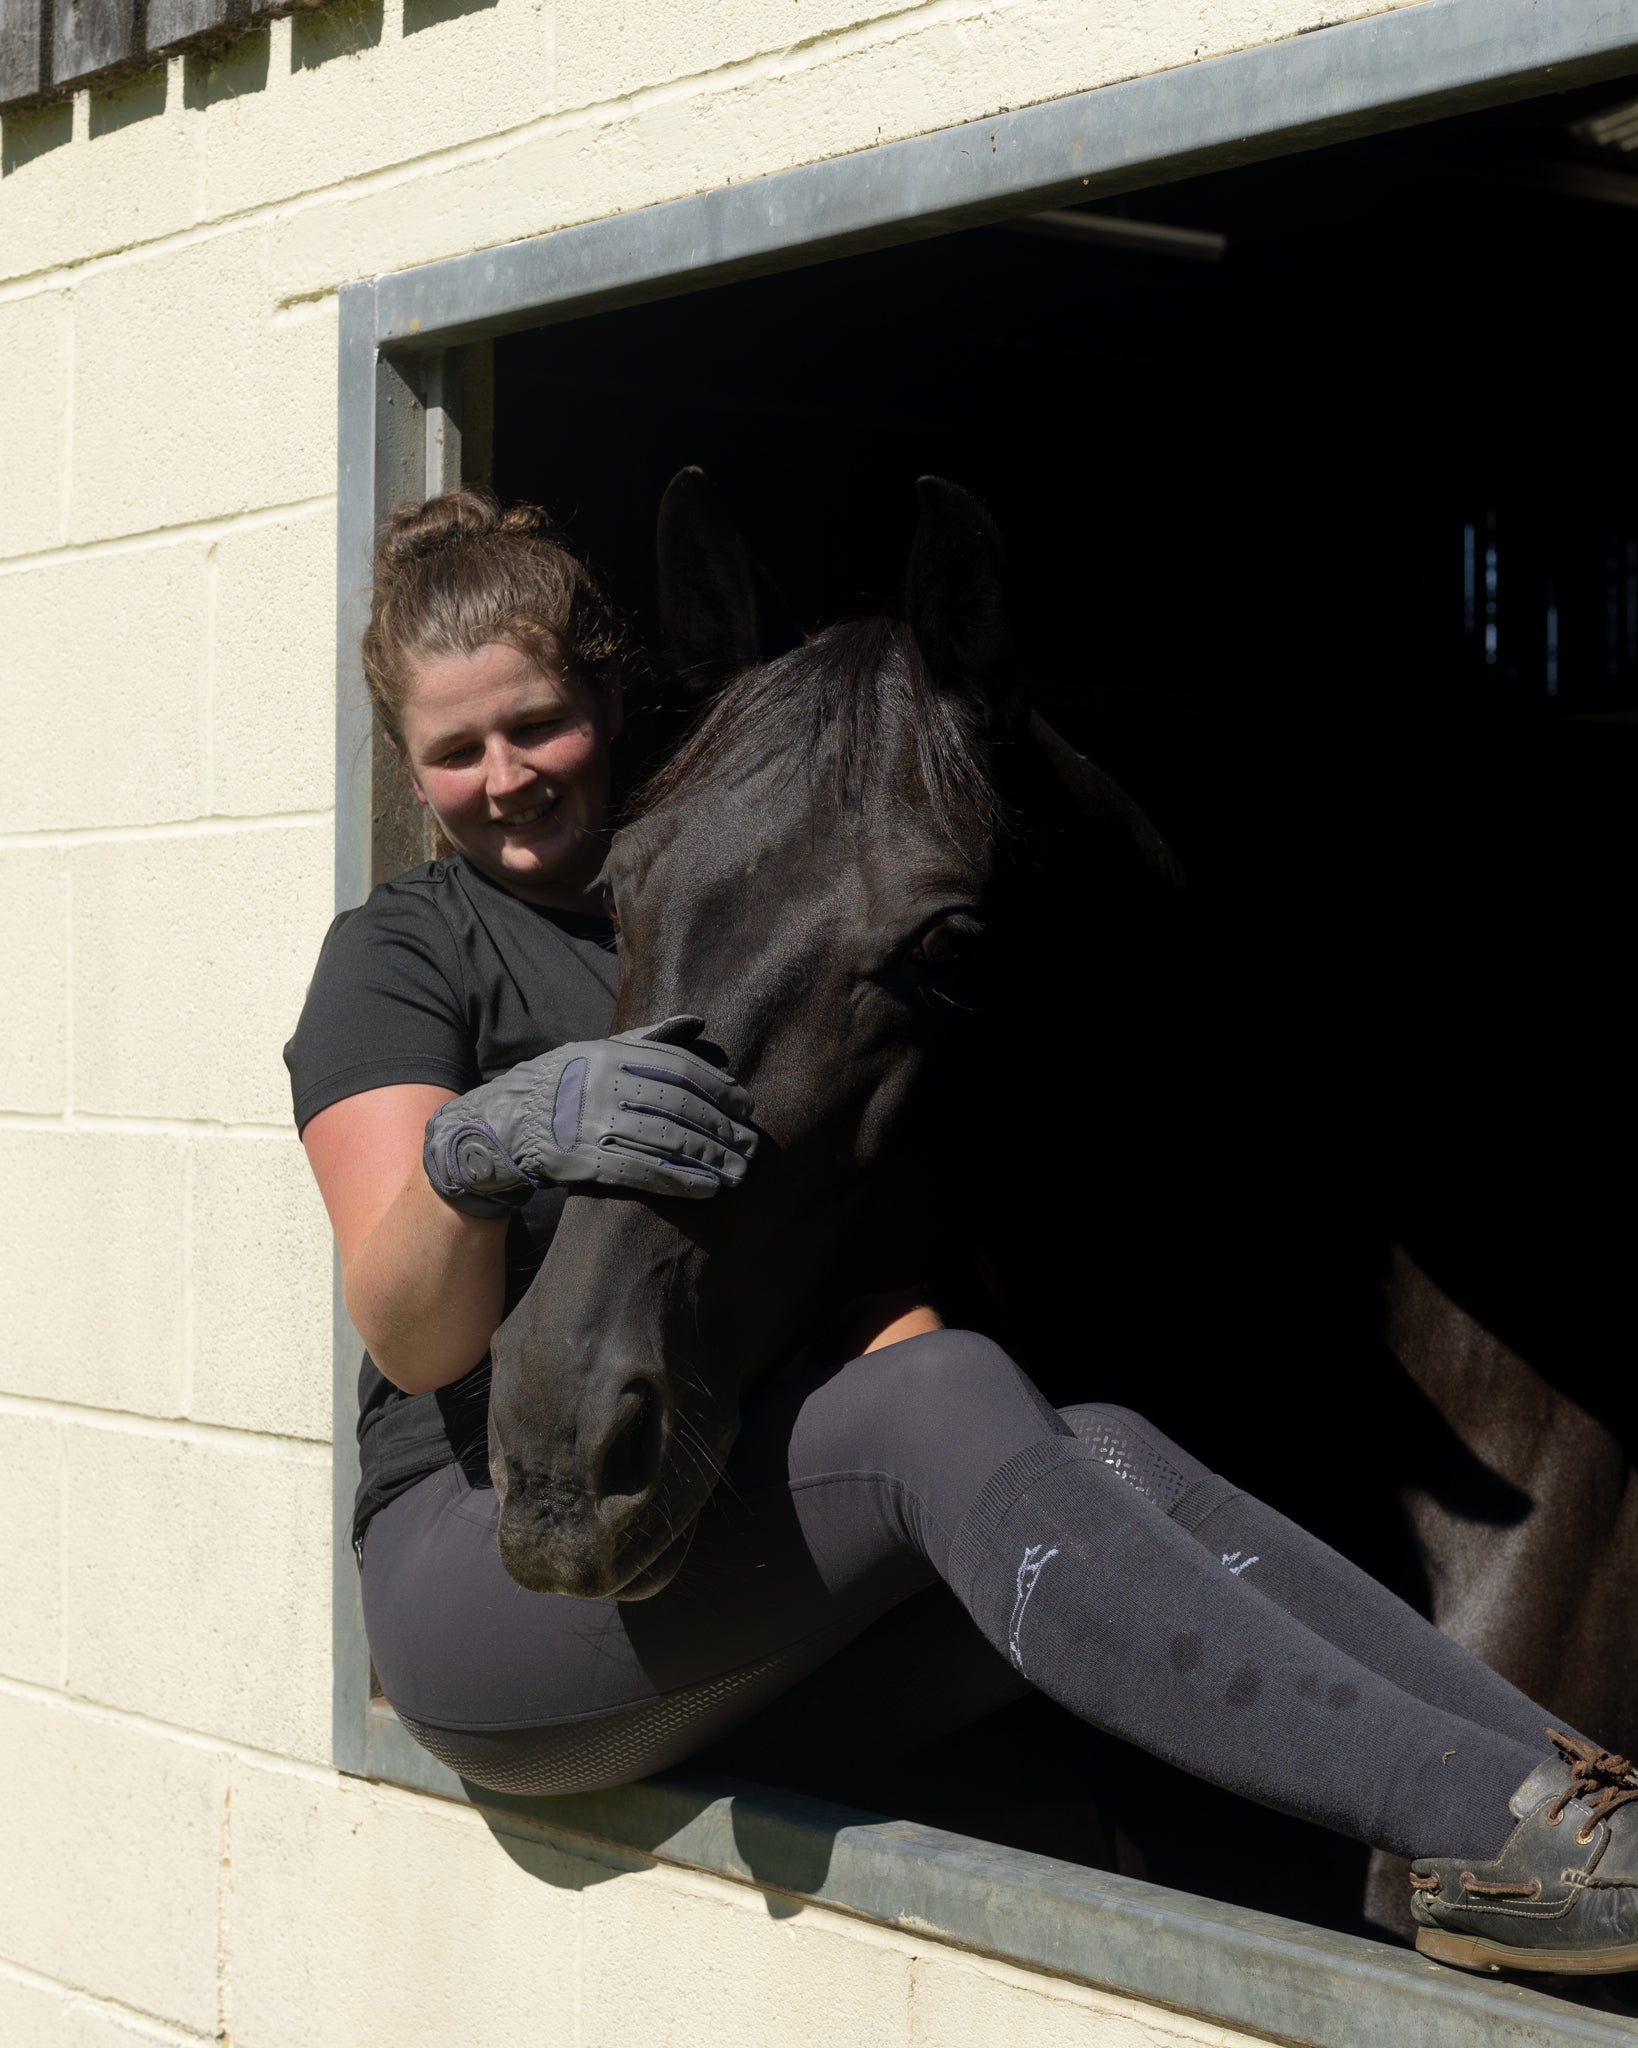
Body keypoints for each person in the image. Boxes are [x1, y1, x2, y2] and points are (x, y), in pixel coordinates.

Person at [288, 489, 1638, 1979]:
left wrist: (1001, 1458)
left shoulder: (726, 897)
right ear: (411, 774)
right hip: (497, 1579)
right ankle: (1485, 1827)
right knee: (955, 1403)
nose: (504, 777)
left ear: (611, 702)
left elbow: (878, 1326)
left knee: (1093, 1445)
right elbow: (410, 1336)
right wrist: (483, 1148)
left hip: (734, 1578)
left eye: (532, 725)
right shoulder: (406, 950)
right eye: (454, 751)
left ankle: (1590, 1819)